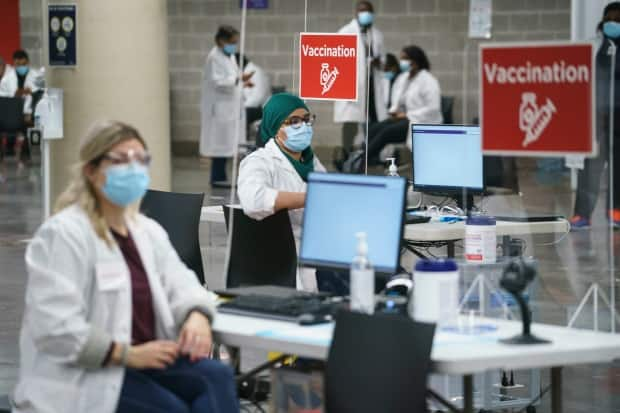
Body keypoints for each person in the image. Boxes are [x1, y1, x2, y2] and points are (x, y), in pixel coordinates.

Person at [12, 120, 238, 413]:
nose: (133, 168)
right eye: (121, 160)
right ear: (91, 171)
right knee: (173, 408)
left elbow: (183, 284)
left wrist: (196, 315)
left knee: (215, 376)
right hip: (85, 373)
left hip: (145, 362)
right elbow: (54, 327)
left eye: (140, 159)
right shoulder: (63, 235)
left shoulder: (145, 231)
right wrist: (126, 354)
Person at [237, 93, 326, 291]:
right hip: (284, 265)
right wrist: (308, 199)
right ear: (275, 127)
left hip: (319, 255)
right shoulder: (259, 162)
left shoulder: (312, 162)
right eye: (293, 122)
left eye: (306, 119)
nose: (303, 126)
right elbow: (254, 200)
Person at [570, 2, 620, 230]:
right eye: (609, 18)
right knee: (590, 169)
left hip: (618, 118)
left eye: (618, 19)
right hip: (596, 117)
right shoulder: (594, 45)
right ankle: (582, 214)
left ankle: (616, 211)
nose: (613, 23)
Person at [364, 45, 442, 165]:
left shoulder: (429, 81)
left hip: (422, 121)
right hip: (405, 118)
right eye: (401, 58)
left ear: (415, 61)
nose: (402, 62)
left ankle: (360, 161)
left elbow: (433, 108)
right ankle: (364, 158)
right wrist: (395, 111)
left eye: (405, 58)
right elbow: (397, 100)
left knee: (386, 133)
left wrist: (407, 115)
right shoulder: (403, 78)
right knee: (373, 129)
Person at [200, 25, 252, 185]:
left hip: (231, 107)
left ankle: (222, 177)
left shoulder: (228, 56)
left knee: (229, 144)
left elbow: (232, 76)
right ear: (222, 40)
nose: (234, 45)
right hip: (220, 110)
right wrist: (238, 80)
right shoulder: (214, 57)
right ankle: (217, 178)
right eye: (232, 42)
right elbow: (218, 82)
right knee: (220, 145)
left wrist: (242, 81)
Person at [333, 1, 387, 153]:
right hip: (352, 84)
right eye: (362, 11)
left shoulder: (377, 34)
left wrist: (378, 61)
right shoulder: (345, 32)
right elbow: (338, 60)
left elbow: (383, 59)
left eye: (368, 11)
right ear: (355, 13)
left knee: (374, 119)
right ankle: (346, 154)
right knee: (350, 121)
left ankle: (372, 154)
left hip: (371, 83)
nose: (365, 14)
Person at [235, 53, 271, 146]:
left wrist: (242, 108)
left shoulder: (255, 72)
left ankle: (242, 146)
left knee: (242, 114)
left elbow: (258, 97)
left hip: (262, 109)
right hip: (251, 107)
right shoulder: (244, 73)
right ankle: (236, 145)